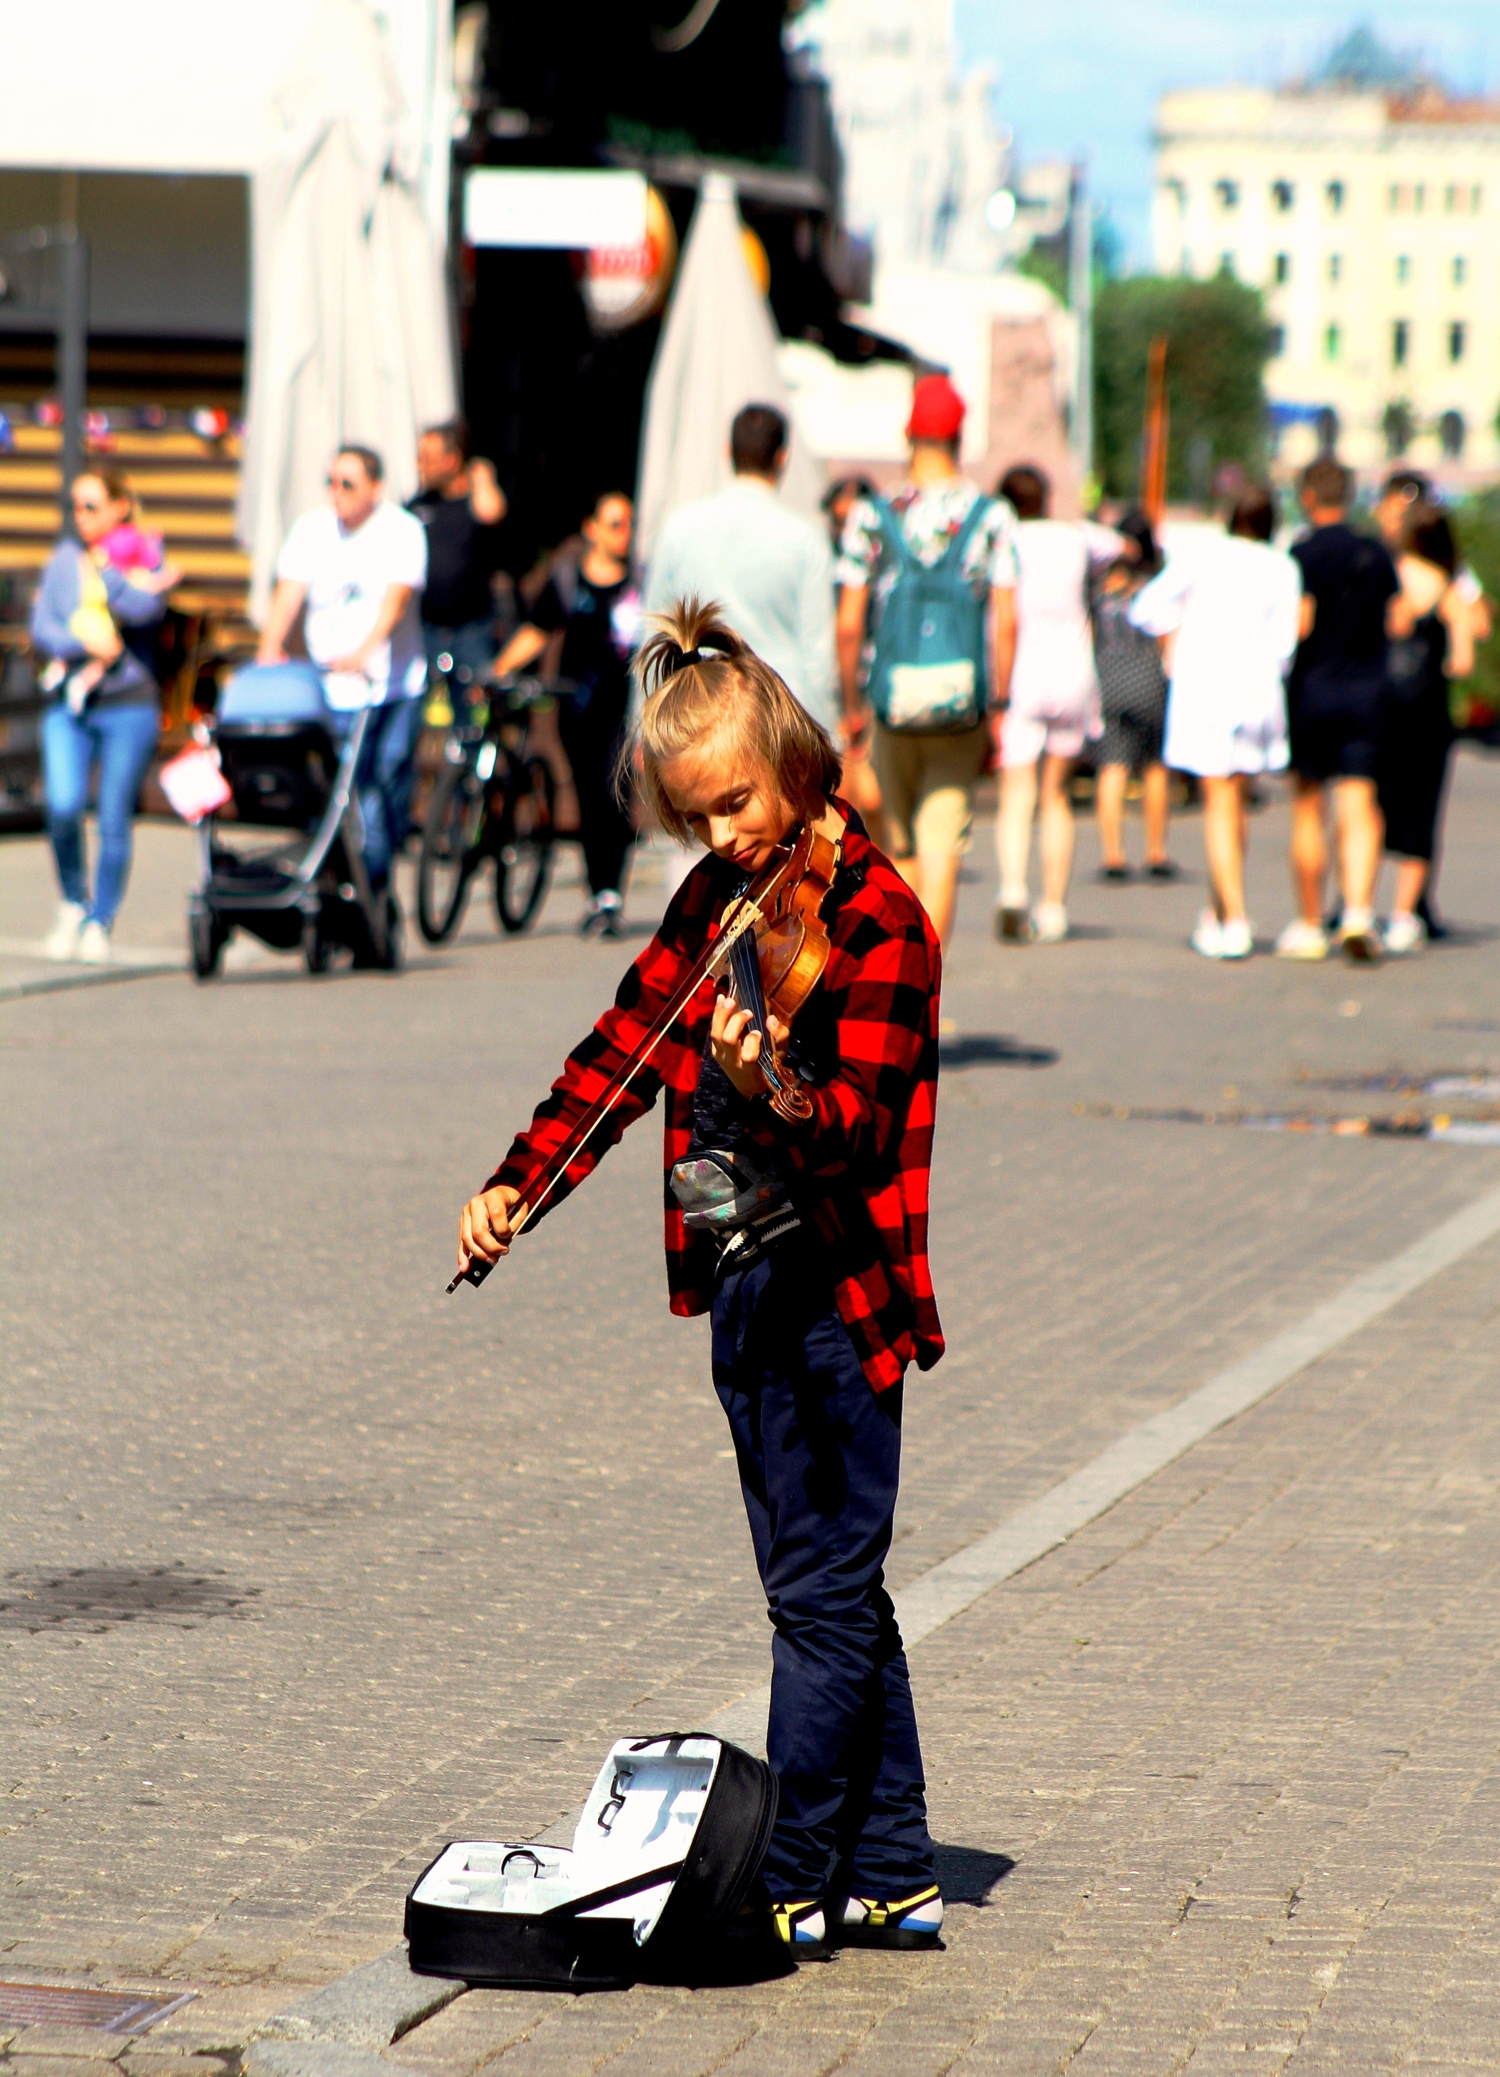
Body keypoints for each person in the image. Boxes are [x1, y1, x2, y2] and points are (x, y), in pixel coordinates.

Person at [455, 598, 946, 1960]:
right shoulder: (718, 900)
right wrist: (519, 1186)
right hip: (742, 1286)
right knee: (832, 1582)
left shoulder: (883, 924)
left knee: (817, 1593)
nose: (727, 839)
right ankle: (895, 1867)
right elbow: (621, 1047)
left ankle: (789, 1876)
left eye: (736, 805)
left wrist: (760, 1082)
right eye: (697, 820)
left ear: (791, 753)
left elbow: (849, 1122)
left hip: (838, 1298)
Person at [836, 375, 1017, 949]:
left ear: (909, 434)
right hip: (960, 705)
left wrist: (851, 707)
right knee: (943, 847)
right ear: (959, 437)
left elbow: (847, 624)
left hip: (890, 703)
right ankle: (927, 989)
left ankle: (894, 983)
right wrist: (1001, 705)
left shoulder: (870, 514)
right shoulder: (991, 516)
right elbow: (1007, 621)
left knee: (896, 848)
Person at [1130, 487, 1302, 960]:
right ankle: (1218, 908)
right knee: (1235, 804)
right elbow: (1285, 645)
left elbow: (1143, 608)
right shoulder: (1282, 567)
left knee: (1219, 804)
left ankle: (1235, 917)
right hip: (1260, 693)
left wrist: (1179, 631)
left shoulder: (1202, 555)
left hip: (1208, 689)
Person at [257, 445, 428, 897]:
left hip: (391, 684)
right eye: (330, 482)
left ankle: (378, 866)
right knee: (342, 785)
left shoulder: (402, 530)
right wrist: (269, 647)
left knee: (386, 775)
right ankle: (346, 875)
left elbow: (397, 600)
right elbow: (288, 593)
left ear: (376, 488)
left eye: (347, 484)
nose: (337, 493)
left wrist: (364, 650)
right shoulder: (312, 530)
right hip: (331, 686)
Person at [31, 468, 172, 963]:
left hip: (128, 703)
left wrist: (110, 571)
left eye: (91, 506)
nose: (81, 517)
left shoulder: (144, 551)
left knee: (114, 816)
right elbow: (42, 626)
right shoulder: (63, 560)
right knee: (63, 805)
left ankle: (101, 919)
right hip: (70, 699)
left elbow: (148, 609)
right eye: (75, 506)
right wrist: (83, 643)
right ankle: (73, 900)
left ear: (120, 507)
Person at [492, 492, 641, 937]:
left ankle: (611, 893)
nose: (623, 534)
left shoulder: (639, 583)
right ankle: (597, 893)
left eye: (628, 524)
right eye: (614, 524)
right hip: (576, 708)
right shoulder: (567, 579)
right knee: (589, 798)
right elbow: (538, 631)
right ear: (591, 529)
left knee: (615, 796)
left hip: (623, 708)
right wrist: (499, 670)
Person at [645, 405, 839, 737]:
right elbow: (818, 656)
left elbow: (654, 632)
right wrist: (826, 737)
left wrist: (645, 722)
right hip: (776, 718)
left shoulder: (678, 529)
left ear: (727, 450)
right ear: (782, 457)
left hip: (696, 710)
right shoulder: (806, 538)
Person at [992, 466, 1123, 941]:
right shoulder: (1075, 538)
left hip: (1023, 673)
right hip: (1072, 673)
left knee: (1017, 792)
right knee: (1057, 795)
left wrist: (997, 693)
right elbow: (1118, 544)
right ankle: (1053, 908)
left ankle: (1011, 890)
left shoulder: (1004, 539)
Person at [1277, 456, 1396, 964]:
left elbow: (1298, 628)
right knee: (1360, 804)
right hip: (1367, 690)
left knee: (1309, 806)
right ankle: (1358, 914)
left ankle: (1309, 922)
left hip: (1312, 690)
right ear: (1347, 496)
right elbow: (1399, 619)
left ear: (1307, 496)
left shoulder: (1300, 555)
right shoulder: (1374, 553)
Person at [1372, 470, 1491, 940]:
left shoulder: (1388, 565)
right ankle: (1401, 911)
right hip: (1425, 705)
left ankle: (1368, 904)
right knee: (1416, 804)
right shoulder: (1443, 574)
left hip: (1380, 699)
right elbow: (1471, 638)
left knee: (1371, 801)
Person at [1091, 509, 1174, 882]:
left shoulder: (1099, 589)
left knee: (1113, 765)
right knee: (1154, 765)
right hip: (1149, 679)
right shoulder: (1155, 587)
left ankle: (1114, 854)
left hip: (1107, 679)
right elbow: (1166, 636)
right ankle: (1155, 850)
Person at [407, 418, 507, 706]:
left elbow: (492, 513)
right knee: (421, 712)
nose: (420, 466)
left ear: (452, 460)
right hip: (426, 630)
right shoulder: (419, 505)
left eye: (427, 458)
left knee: (476, 708)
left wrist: (483, 476)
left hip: (472, 630)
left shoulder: (475, 500)